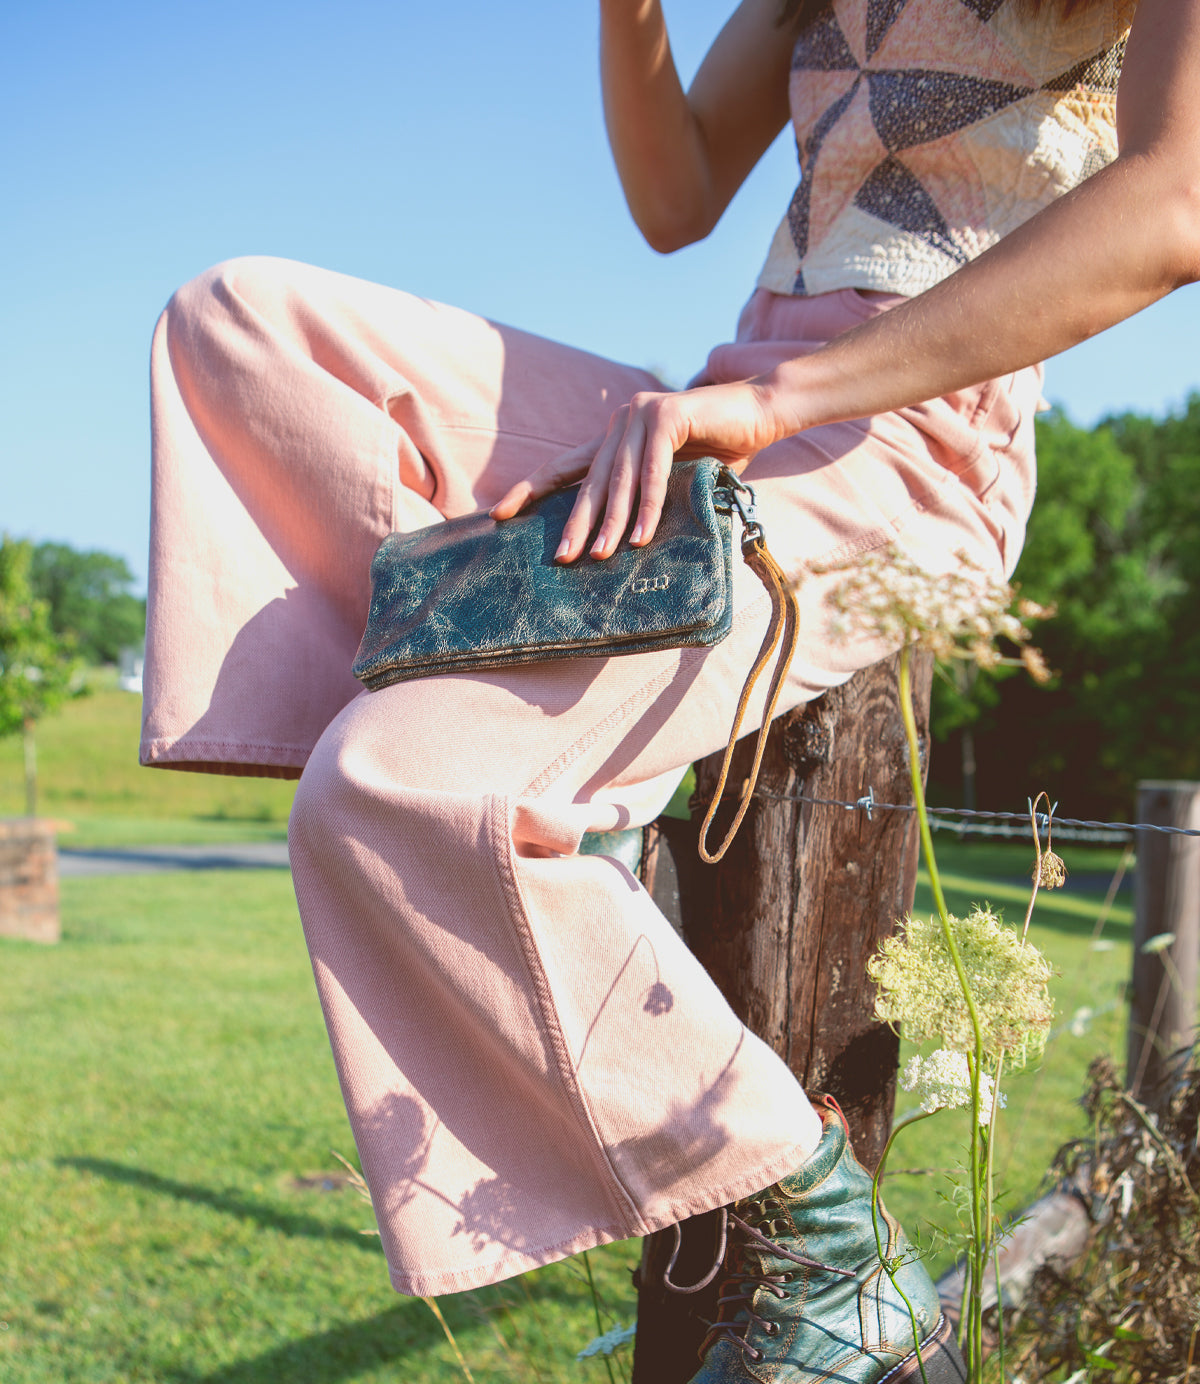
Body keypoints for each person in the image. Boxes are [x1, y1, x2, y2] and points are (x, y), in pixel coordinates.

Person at [141, 0, 1196, 1378]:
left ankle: (819, 1238)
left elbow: (1175, 207)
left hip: (903, 452)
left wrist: (790, 397)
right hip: (720, 414)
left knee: (387, 786)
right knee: (240, 325)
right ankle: (549, 800)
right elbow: (677, 194)